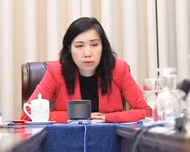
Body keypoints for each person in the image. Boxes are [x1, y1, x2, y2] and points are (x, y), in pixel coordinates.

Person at [20, 17, 151, 123]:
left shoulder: (118, 69)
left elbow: (146, 111)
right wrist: (78, 117)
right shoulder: (55, 71)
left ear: (103, 47)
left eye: (94, 45)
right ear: (69, 49)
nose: (87, 53)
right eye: (79, 46)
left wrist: (107, 118)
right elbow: (27, 115)